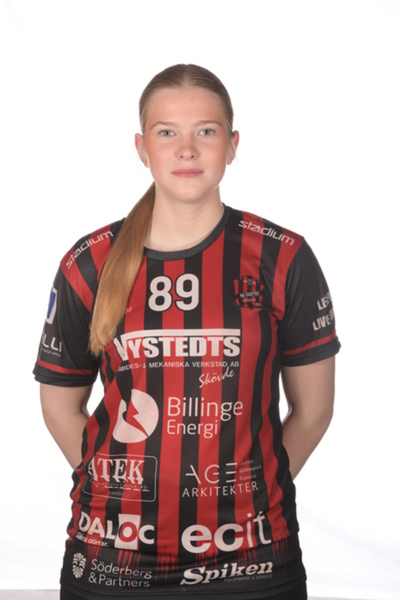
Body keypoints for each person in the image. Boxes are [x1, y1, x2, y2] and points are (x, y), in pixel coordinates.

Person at [34, 64, 340, 600]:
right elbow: (60, 406)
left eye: (206, 130)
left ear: (233, 144)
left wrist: (252, 495)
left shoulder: (283, 257)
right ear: (141, 148)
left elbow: (313, 411)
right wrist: (115, 487)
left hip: (254, 562)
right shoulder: (90, 262)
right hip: (111, 561)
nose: (187, 149)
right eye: (166, 132)